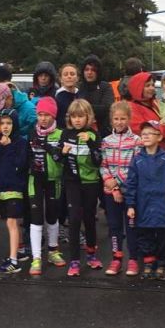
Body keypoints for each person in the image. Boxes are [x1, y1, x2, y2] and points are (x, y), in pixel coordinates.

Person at [125, 121, 165, 280]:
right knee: (144, 234)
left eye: (150, 133)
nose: (146, 136)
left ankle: (162, 264)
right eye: (143, 134)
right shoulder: (137, 160)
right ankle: (148, 262)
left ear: (159, 137)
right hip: (143, 204)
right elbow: (131, 183)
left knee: (164, 235)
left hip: (162, 204)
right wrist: (130, 204)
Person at [0, 109, 29, 275]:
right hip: (2, 187)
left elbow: (21, 164)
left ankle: (13, 261)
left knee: (11, 222)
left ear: (15, 124)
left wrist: (8, 147)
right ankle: (19, 250)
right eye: (2, 123)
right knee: (10, 220)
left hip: (15, 187)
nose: (5, 126)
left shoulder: (21, 142)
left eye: (9, 123)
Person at [61, 99, 103, 277]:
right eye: (74, 116)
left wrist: (91, 144)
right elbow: (59, 158)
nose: (77, 120)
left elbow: (98, 161)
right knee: (74, 219)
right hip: (72, 182)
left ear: (88, 117)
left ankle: (92, 254)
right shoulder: (65, 134)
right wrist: (61, 153)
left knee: (89, 219)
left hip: (91, 183)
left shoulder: (94, 134)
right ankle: (74, 260)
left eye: (81, 116)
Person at [100, 101, 141, 276]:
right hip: (111, 192)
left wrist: (120, 185)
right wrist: (113, 186)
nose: (119, 122)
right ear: (111, 120)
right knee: (114, 226)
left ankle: (133, 259)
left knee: (131, 226)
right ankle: (116, 258)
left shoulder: (136, 141)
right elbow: (103, 165)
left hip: (130, 192)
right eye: (116, 119)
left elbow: (136, 167)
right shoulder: (106, 141)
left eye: (123, 118)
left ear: (129, 119)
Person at [26, 97, 66, 276]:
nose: (43, 118)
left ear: (53, 116)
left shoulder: (61, 134)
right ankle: (36, 258)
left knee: (52, 215)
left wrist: (48, 147)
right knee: (36, 217)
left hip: (53, 179)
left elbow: (61, 158)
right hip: (35, 180)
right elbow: (26, 155)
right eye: (40, 114)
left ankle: (52, 250)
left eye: (47, 115)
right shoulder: (31, 133)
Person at [77, 54, 115, 136]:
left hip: (103, 131)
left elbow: (107, 108)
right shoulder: (79, 87)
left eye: (93, 70)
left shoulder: (105, 87)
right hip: (81, 131)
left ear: (98, 72)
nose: (89, 72)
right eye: (86, 69)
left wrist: (85, 107)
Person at [55, 63, 80, 128]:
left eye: (72, 74)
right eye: (65, 74)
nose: (69, 76)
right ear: (61, 79)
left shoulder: (81, 95)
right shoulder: (57, 98)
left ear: (77, 78)